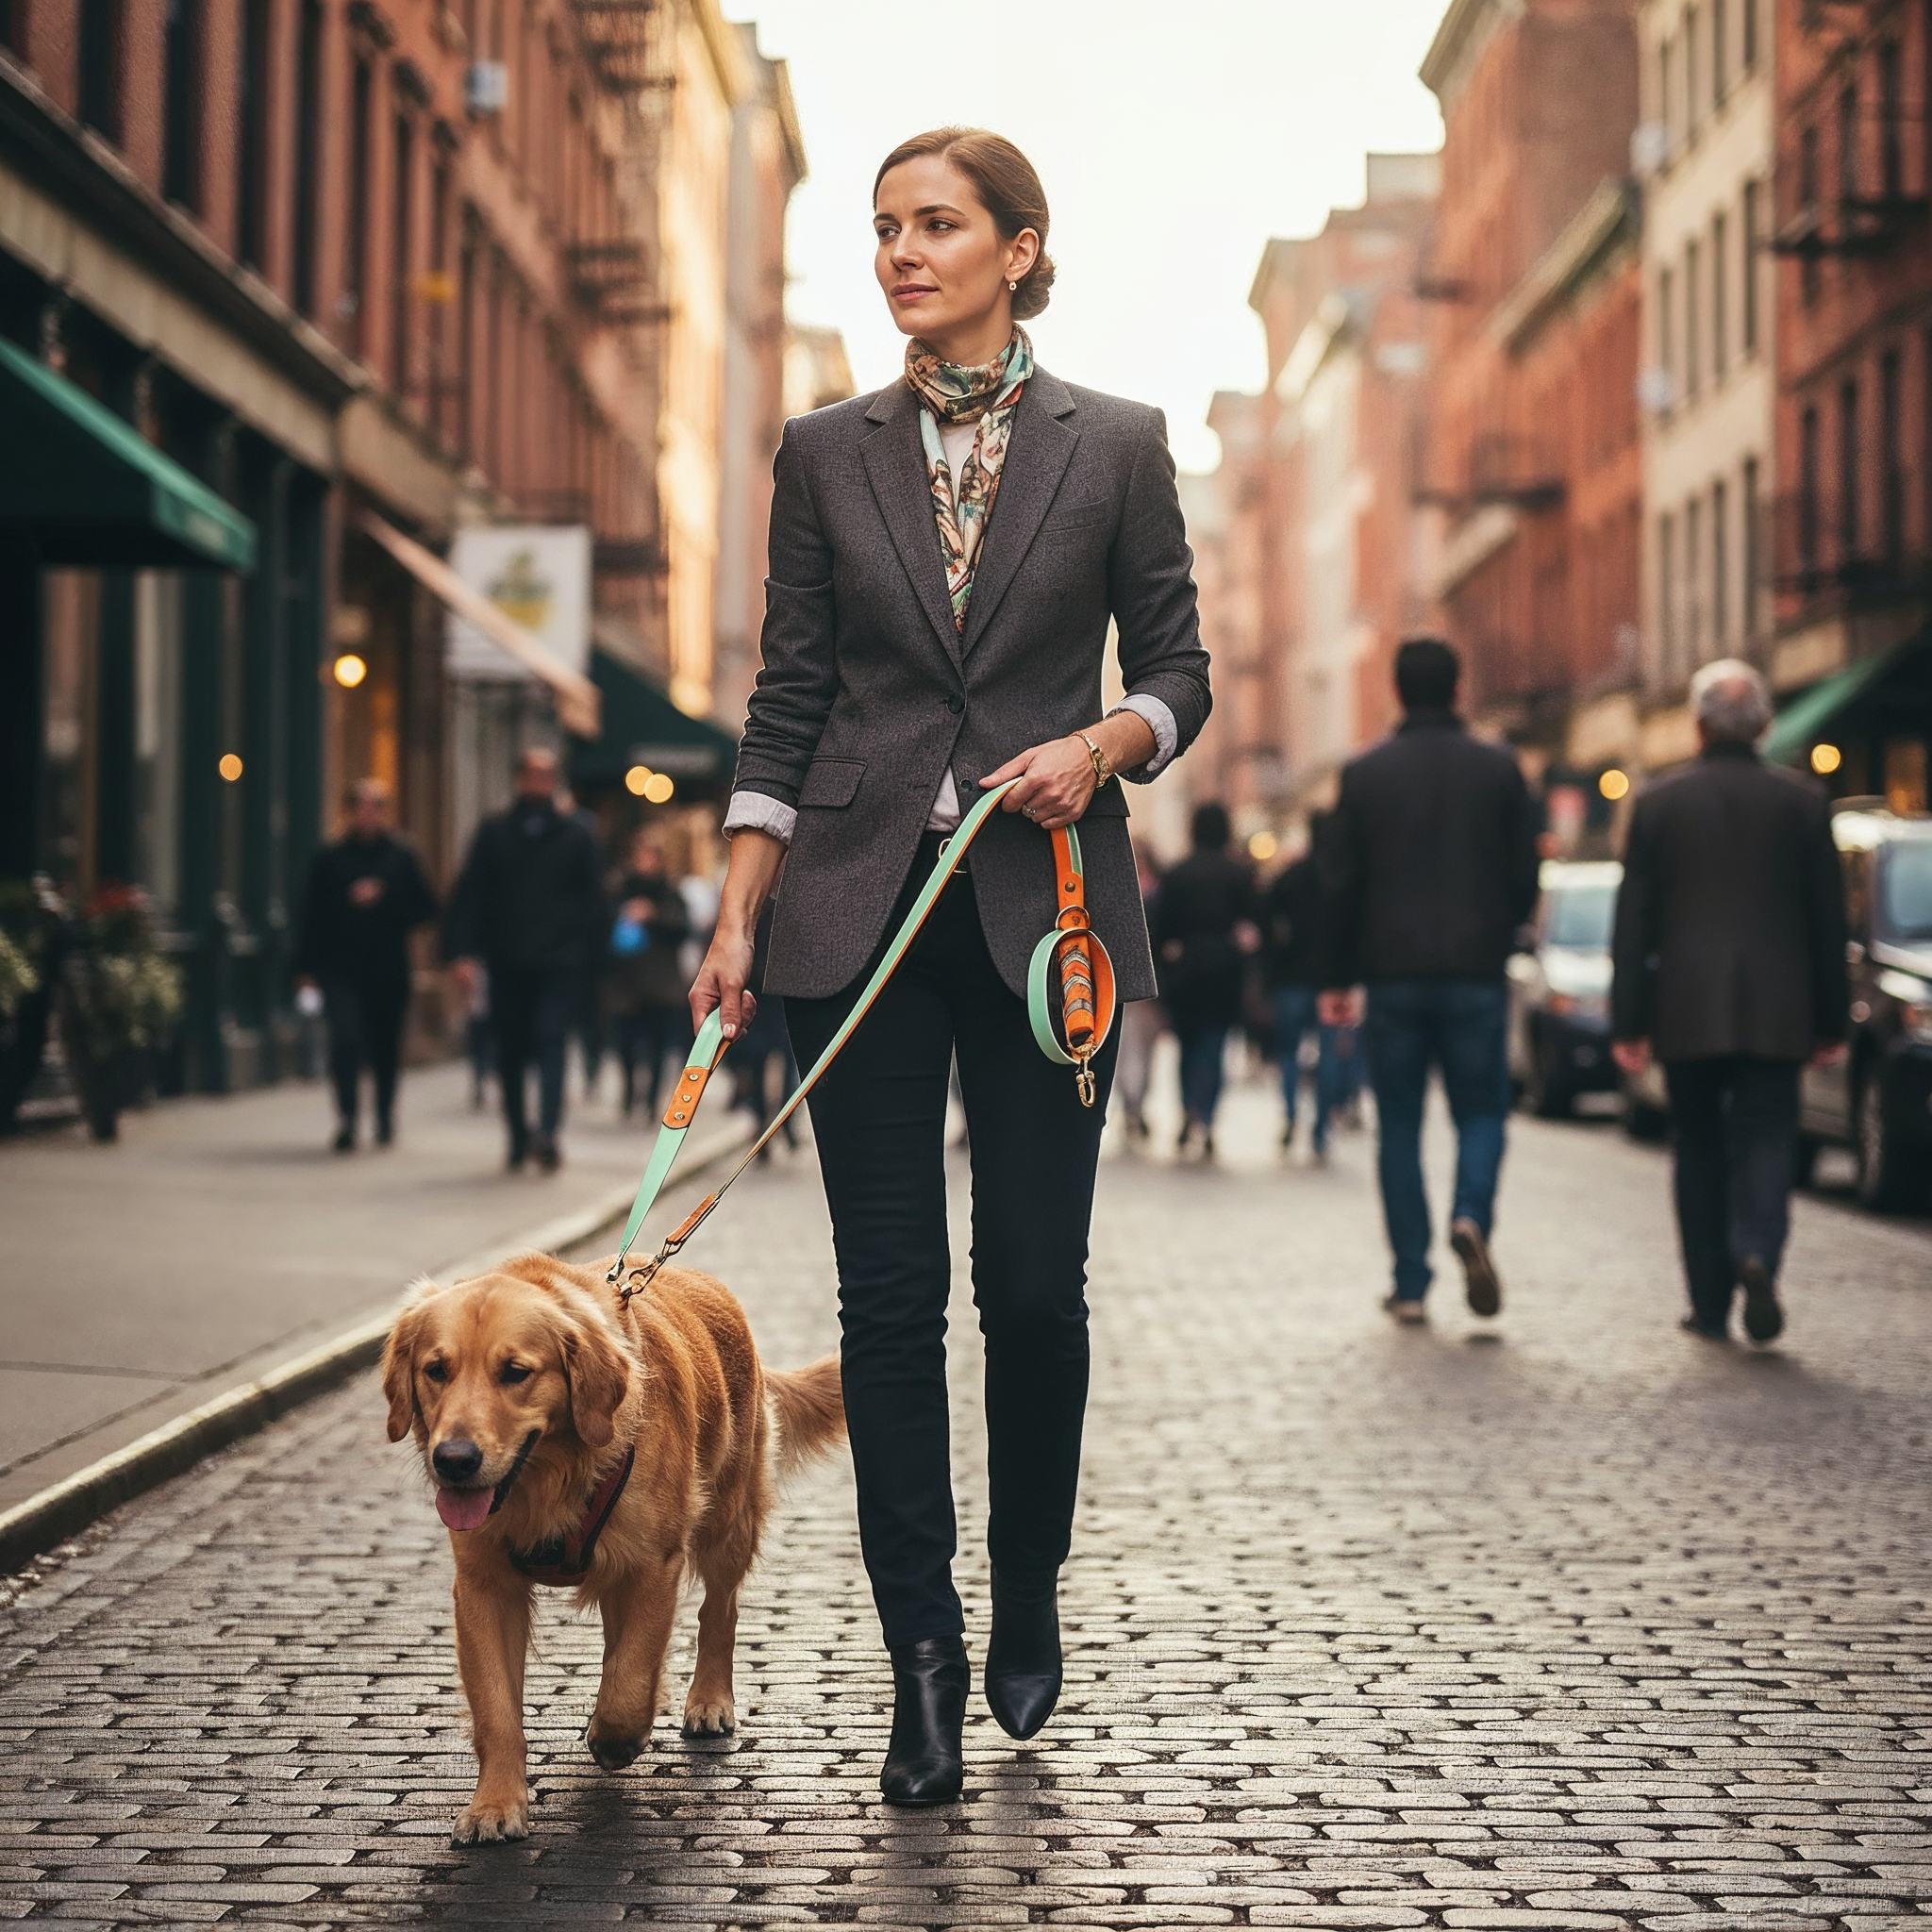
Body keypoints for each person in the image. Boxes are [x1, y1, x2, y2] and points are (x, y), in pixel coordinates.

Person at [688, 127, 1210, 1807]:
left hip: (1044, 916)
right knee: (890, 1305)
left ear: (1018, 246)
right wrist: (734, 911)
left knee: (1032, 1292)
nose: (902, 252)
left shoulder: (1116, 444)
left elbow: (1182, 670)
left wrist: (1103, 741)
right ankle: (918, 1650)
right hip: (850, 919)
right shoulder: (822, 450)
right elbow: (788, 693)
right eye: (884, 228)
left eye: (936, 226)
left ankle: (1027, 1585)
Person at [1609, 658, 1849, 1344]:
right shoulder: (1804, 804)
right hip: (1779, 1008)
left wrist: (1629, 1019)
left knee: (1700, 1148)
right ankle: (1757, 1253)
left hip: (1686, 1008)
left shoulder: (1656, 804)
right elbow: (1827, 925)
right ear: (1766, 725)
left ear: (1698, 725)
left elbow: (1635, 923)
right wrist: (1831, 1020)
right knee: (1769, 1135)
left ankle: (1709, 1303)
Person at [1319, 638, 1541, 1323]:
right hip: (1475, 973)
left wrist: (1336, 976)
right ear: (1458, 688)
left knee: (1402, 1128)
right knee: (1481, 1111)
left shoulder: (1364, 774)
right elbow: (1525, 875)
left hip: (1393, 978)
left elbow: (1341, 885)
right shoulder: (1500, 770)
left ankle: (1411, 1282)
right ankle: (1470, 1214)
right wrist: (1500, 933)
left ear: (1395, 690)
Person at [445, 747, 607, 1173]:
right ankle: (518, 1134)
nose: (539, 781)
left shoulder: (576, 835)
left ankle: (549, 1132)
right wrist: (462, 952)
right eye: (532, 773)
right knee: (511, 1051)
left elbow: (594, 902)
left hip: (560, 962)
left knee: (552, 1041)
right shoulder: (494, 832)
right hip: (507, 959)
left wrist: (592, 961)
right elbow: (472, 894)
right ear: (519, 778)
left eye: (546, 774)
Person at [293, 778, 437, 1152]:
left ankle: (385, 1115)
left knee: (385, 1045)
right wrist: (305, 969)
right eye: (360, 809)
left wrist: (384, 899)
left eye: (374, 809)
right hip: (340, 968)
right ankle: (348, 1118)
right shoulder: (331, 858)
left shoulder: (402, 856)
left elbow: (425, 908)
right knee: (345, 1040)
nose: (366, 816)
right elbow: (313, 915)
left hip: (388, 969)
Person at [1150, 804, 1258, 1158]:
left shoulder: (1178, 873)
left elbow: (1160, 926)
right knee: (1214, 1046)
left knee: (1187, 1046)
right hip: (1225, 970)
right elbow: (1258, 924)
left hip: (1187, 970)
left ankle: (1187, 1111)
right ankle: (1207, 1116)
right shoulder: (1239, 874)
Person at [1264, 814, 1345, 1159]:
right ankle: (1321, 1129)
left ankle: (1291, 1114)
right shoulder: (1342, 879)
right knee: (1330, 1054)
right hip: (1333, 981)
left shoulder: (1291, 876)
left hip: (1292, 978)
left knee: (1289, 1053)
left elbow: (1267, 918)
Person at [603, 825, 693, 1120]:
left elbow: (683, 928)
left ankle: (652, 1100)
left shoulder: (670, 892)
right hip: (626, 983)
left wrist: (653, 914)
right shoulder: (620, 889)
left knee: (657, 1047)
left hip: (660, 984)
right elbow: (601, 926)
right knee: (625, 1044)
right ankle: (630, 1092)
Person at [1111, 841, 1167, 1141]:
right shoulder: (1143, 889)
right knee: (1129, 1048)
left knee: (1139, 1049)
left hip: (1147, 984)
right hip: (1122, 981)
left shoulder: (1156, 890)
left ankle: (1135, 1105)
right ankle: (1132, 1105)